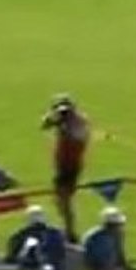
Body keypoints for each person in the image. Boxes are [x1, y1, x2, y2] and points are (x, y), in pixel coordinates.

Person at [41, 94, 90, 243]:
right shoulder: (62, 121)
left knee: (64, 201)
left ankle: (70, 232)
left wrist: (64, 125)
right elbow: (44, 125)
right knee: (60, 201)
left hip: (70, 167)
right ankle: (68, 229)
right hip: (62, 165)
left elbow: (78, 137)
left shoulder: (79, 123)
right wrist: (55, 119)